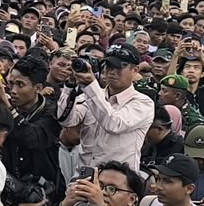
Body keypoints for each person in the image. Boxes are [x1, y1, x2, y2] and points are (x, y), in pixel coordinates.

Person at [64, 43, 153, 171]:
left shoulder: (143, 103)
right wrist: (69, 86)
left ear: (135, 70)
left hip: (118, 180)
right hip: (83, 176)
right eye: (109, 65)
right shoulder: (90, 94)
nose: (112, 71)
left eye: (119, 66)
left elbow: (114, 124)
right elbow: (67, 121)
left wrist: (91, 85)